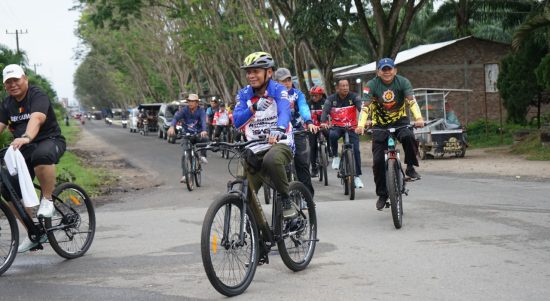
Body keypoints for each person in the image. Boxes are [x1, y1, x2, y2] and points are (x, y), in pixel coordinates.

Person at [0, 64, 67, 252]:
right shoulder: (6, 104)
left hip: (50, 140)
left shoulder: (37, 95)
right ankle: (34, 232)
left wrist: (28, 137)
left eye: (16, 80)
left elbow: (36, 118)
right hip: (23, 149)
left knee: (41, 156)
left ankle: (47, 200)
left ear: (25, 79)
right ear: (5, 86)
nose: (13, 85)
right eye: (8, 82)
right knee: (7, 188)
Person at [232, 51, 297, 220]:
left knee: (271, 160)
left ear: (269, 72)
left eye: (256, 71)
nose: (251, 76)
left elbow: (284, 110)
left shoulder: (278, 89)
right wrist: (253, 108)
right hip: (255, 148)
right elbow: (237, 121)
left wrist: (280, 128)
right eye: (248, 72)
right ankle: (260, 237)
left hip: (280, 143)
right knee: (244, 193)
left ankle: (285, 199)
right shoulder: (244, 94)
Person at [356, 57, 425, 210]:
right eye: (383, 69)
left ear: (395, 70)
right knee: (378, 161)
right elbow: (365, 107)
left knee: (408, 136)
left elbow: (411, 101)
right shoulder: (371, 85)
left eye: (389, 69)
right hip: (379, 124)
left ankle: (410, 168)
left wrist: (418, 118)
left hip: (400, 121)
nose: (387, 72)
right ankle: (382, 194)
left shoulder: (403, 82)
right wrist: (361, 125)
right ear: (378, 72)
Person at [273, 67, 317, 196]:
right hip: (280, 134)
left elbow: (303, 107)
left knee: (302, 164)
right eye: (283, 81)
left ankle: (308, 196)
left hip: (298, 131)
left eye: (288, 80)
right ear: (276, 82)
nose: (286, 83)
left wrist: (308, 122)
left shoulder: (298, 94)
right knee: (280, 166)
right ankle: (283, 196)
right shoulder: (272, 95)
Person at [320, 78, 364, 189]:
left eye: (347, 85)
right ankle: (335, 156)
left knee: (356, 150)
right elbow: (325, 111)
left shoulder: (354, 97)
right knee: (332, 135)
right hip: (337, 127)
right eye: (342, 86)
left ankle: (357, 176)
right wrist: (323, 122)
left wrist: (365, 121)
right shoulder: (331, 99)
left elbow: (362, 109)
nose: (345, 88)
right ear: (337, 88)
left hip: (352, 127)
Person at [167, 93, 209, 183]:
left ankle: (202, 156)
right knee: (185, 154)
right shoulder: (184, 110)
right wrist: (172, 126)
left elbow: (203, 121)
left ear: (197, 103)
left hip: (198, 134)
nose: (190, 103)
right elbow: (176, 118)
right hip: (186, 135)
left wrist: (204, 130)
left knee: (205, 139)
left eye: (193, 101)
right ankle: (185, 175)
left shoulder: (201, 111)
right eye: (189, 101)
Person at [308, 86, 329, 177]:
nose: (314, 97)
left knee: (329, 134)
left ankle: (329, 149)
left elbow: (331, 114)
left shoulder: (326, 103)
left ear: (321, 95)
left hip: (324, 126)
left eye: (316, 95)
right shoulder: (308, 104)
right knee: (312, 147)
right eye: (312, 95)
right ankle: (314, 169)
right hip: (313, 127)